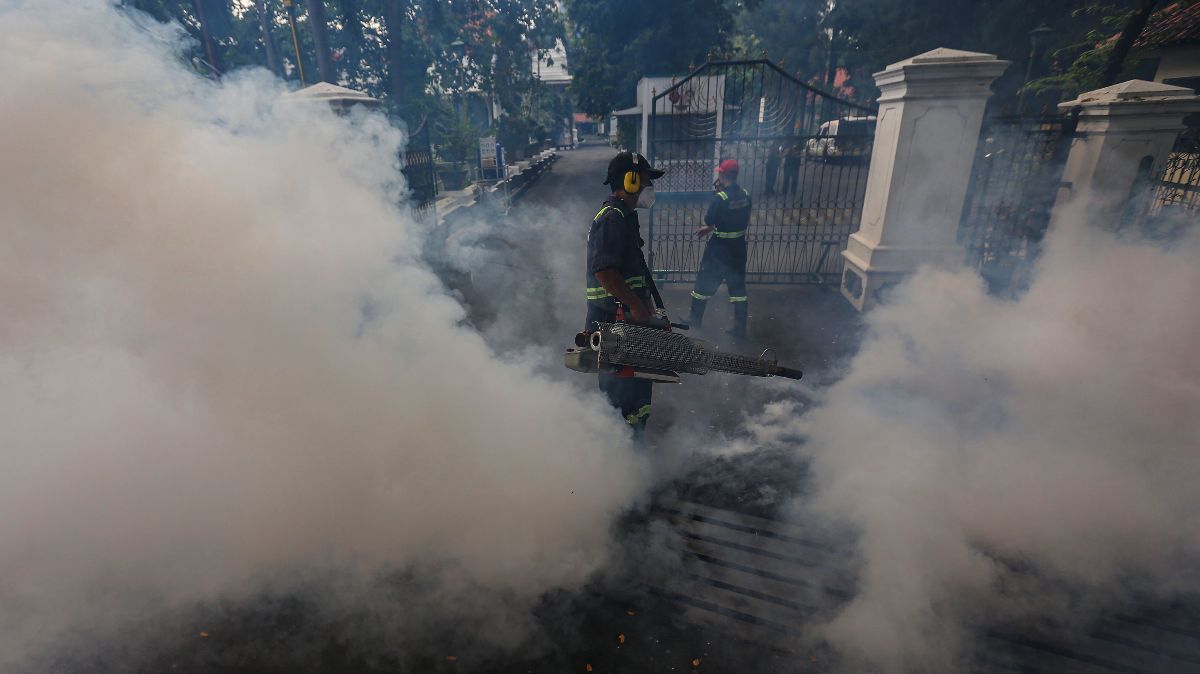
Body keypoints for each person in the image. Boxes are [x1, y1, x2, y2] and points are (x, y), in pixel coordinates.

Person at [585, 151, 666, 435]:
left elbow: (629, 273)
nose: (648, 188)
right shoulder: (612, 219)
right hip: (611, 327)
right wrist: (636, 305)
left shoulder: (625, 217)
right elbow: (605, 272)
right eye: (645, 181)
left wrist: (646, 306)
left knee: (637, 395)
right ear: (630, 182)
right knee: (621, 401)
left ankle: (634, 453)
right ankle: (620, 462)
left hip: (625, 326)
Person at [686, 159, 751, 337]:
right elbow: (736, 219)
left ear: (723, 175)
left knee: (703, 284)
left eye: (719, 173)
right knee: (738, 289)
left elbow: (710, 219)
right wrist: (712, 227)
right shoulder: (745, 195)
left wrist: (709, 226)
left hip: (719, 251)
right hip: (738, 249)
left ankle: (695, 319)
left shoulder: (720, 198)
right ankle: (740, 328)